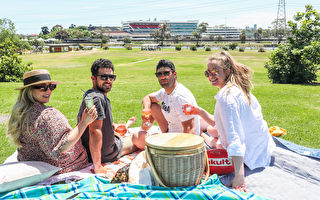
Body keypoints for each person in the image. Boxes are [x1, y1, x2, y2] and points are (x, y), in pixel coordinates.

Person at [182, 51, 275, 191]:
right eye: (208, 73)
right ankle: (204, 134)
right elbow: (223, 123)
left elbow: (235, 138)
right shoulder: (239, 89)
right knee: (213, 130)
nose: (210, 77)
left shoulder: (227, 98)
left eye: (215, 72)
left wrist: (239, 176)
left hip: (252, 156)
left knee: (216, 141)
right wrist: (199, 112)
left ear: (228, 71)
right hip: (262, 146)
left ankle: (202, 136)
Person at [7, 69, 97, 174]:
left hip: (34, 161)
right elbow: (60, 149)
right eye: (42, 88)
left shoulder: (21, 111)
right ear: (29, 90)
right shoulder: (46, 115)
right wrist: (84, 122)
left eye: (51, 86)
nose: (48, 91)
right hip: (63, 166)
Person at [77, 58, 138, 174]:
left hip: (88, 150)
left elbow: (96, 122)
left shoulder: (91, 94)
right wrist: (98, 166)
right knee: (138, 137)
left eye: (111, 77)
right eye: (104, 77)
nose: (108, 80)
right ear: (93, 78)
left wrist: (112, 125)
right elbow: (94, 131)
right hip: (106, 152)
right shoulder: (97, 98)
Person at [132, 59, 200, 149]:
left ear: (174, 74)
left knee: (136, 138)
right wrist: (146, 110)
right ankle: (145, 129)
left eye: (166, 73)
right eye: (159, 74)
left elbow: (190, 129)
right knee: (152, 106)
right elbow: (147, 98)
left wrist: (180, 152)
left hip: (178, 142)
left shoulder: (180, 97)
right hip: (169, 132)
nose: (162, 77)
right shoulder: (165, 92)